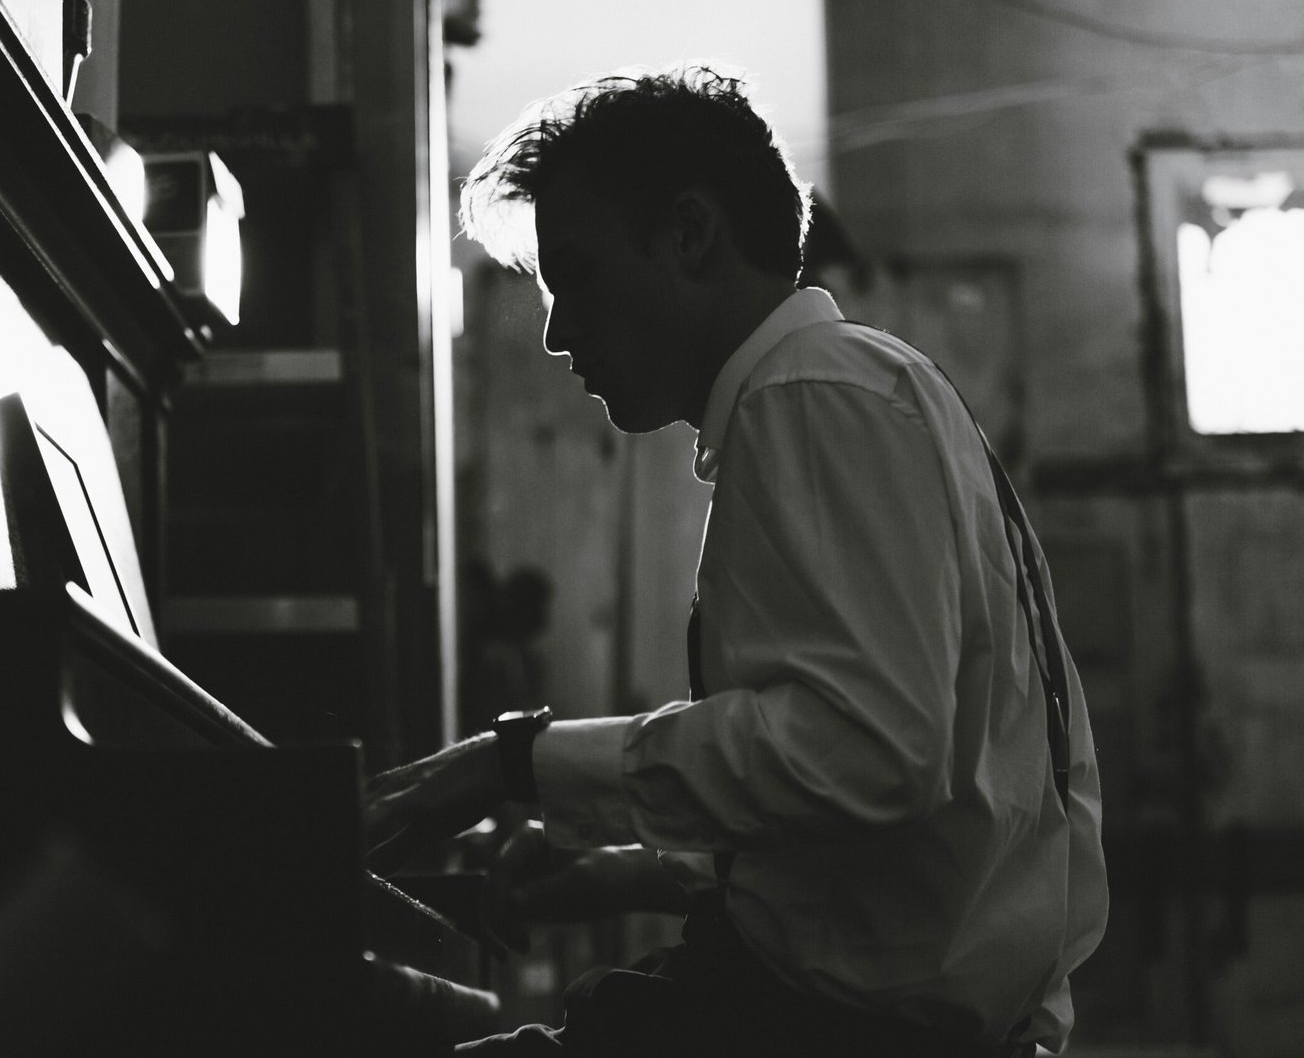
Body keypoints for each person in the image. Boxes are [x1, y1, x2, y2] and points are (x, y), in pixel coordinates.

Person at [365, 64, 1107, 1056]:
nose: (555, 330)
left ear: (688, 233)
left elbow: (867, 749)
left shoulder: (816, 391)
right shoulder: (854, 388)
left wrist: (514, 762)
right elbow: (884, 830)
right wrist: (628, 868)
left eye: (573, 272)